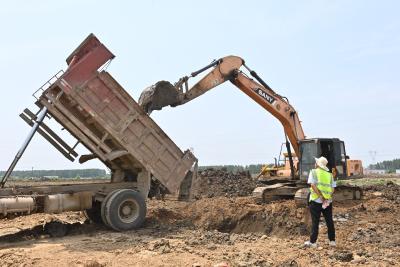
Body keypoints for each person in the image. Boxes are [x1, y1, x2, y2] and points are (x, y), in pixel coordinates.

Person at [304, 156, 336, 248]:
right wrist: (327, 197)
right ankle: (332, 241)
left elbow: (313, 185)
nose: (315, 163)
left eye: (316, 162)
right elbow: (333, 188)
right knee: (329, 220)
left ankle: (313, 242)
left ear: (318, 164)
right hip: (327, 202)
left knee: (315, 222)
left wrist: (321, 196)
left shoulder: (313, 172)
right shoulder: (329, 175)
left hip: (316, 201)